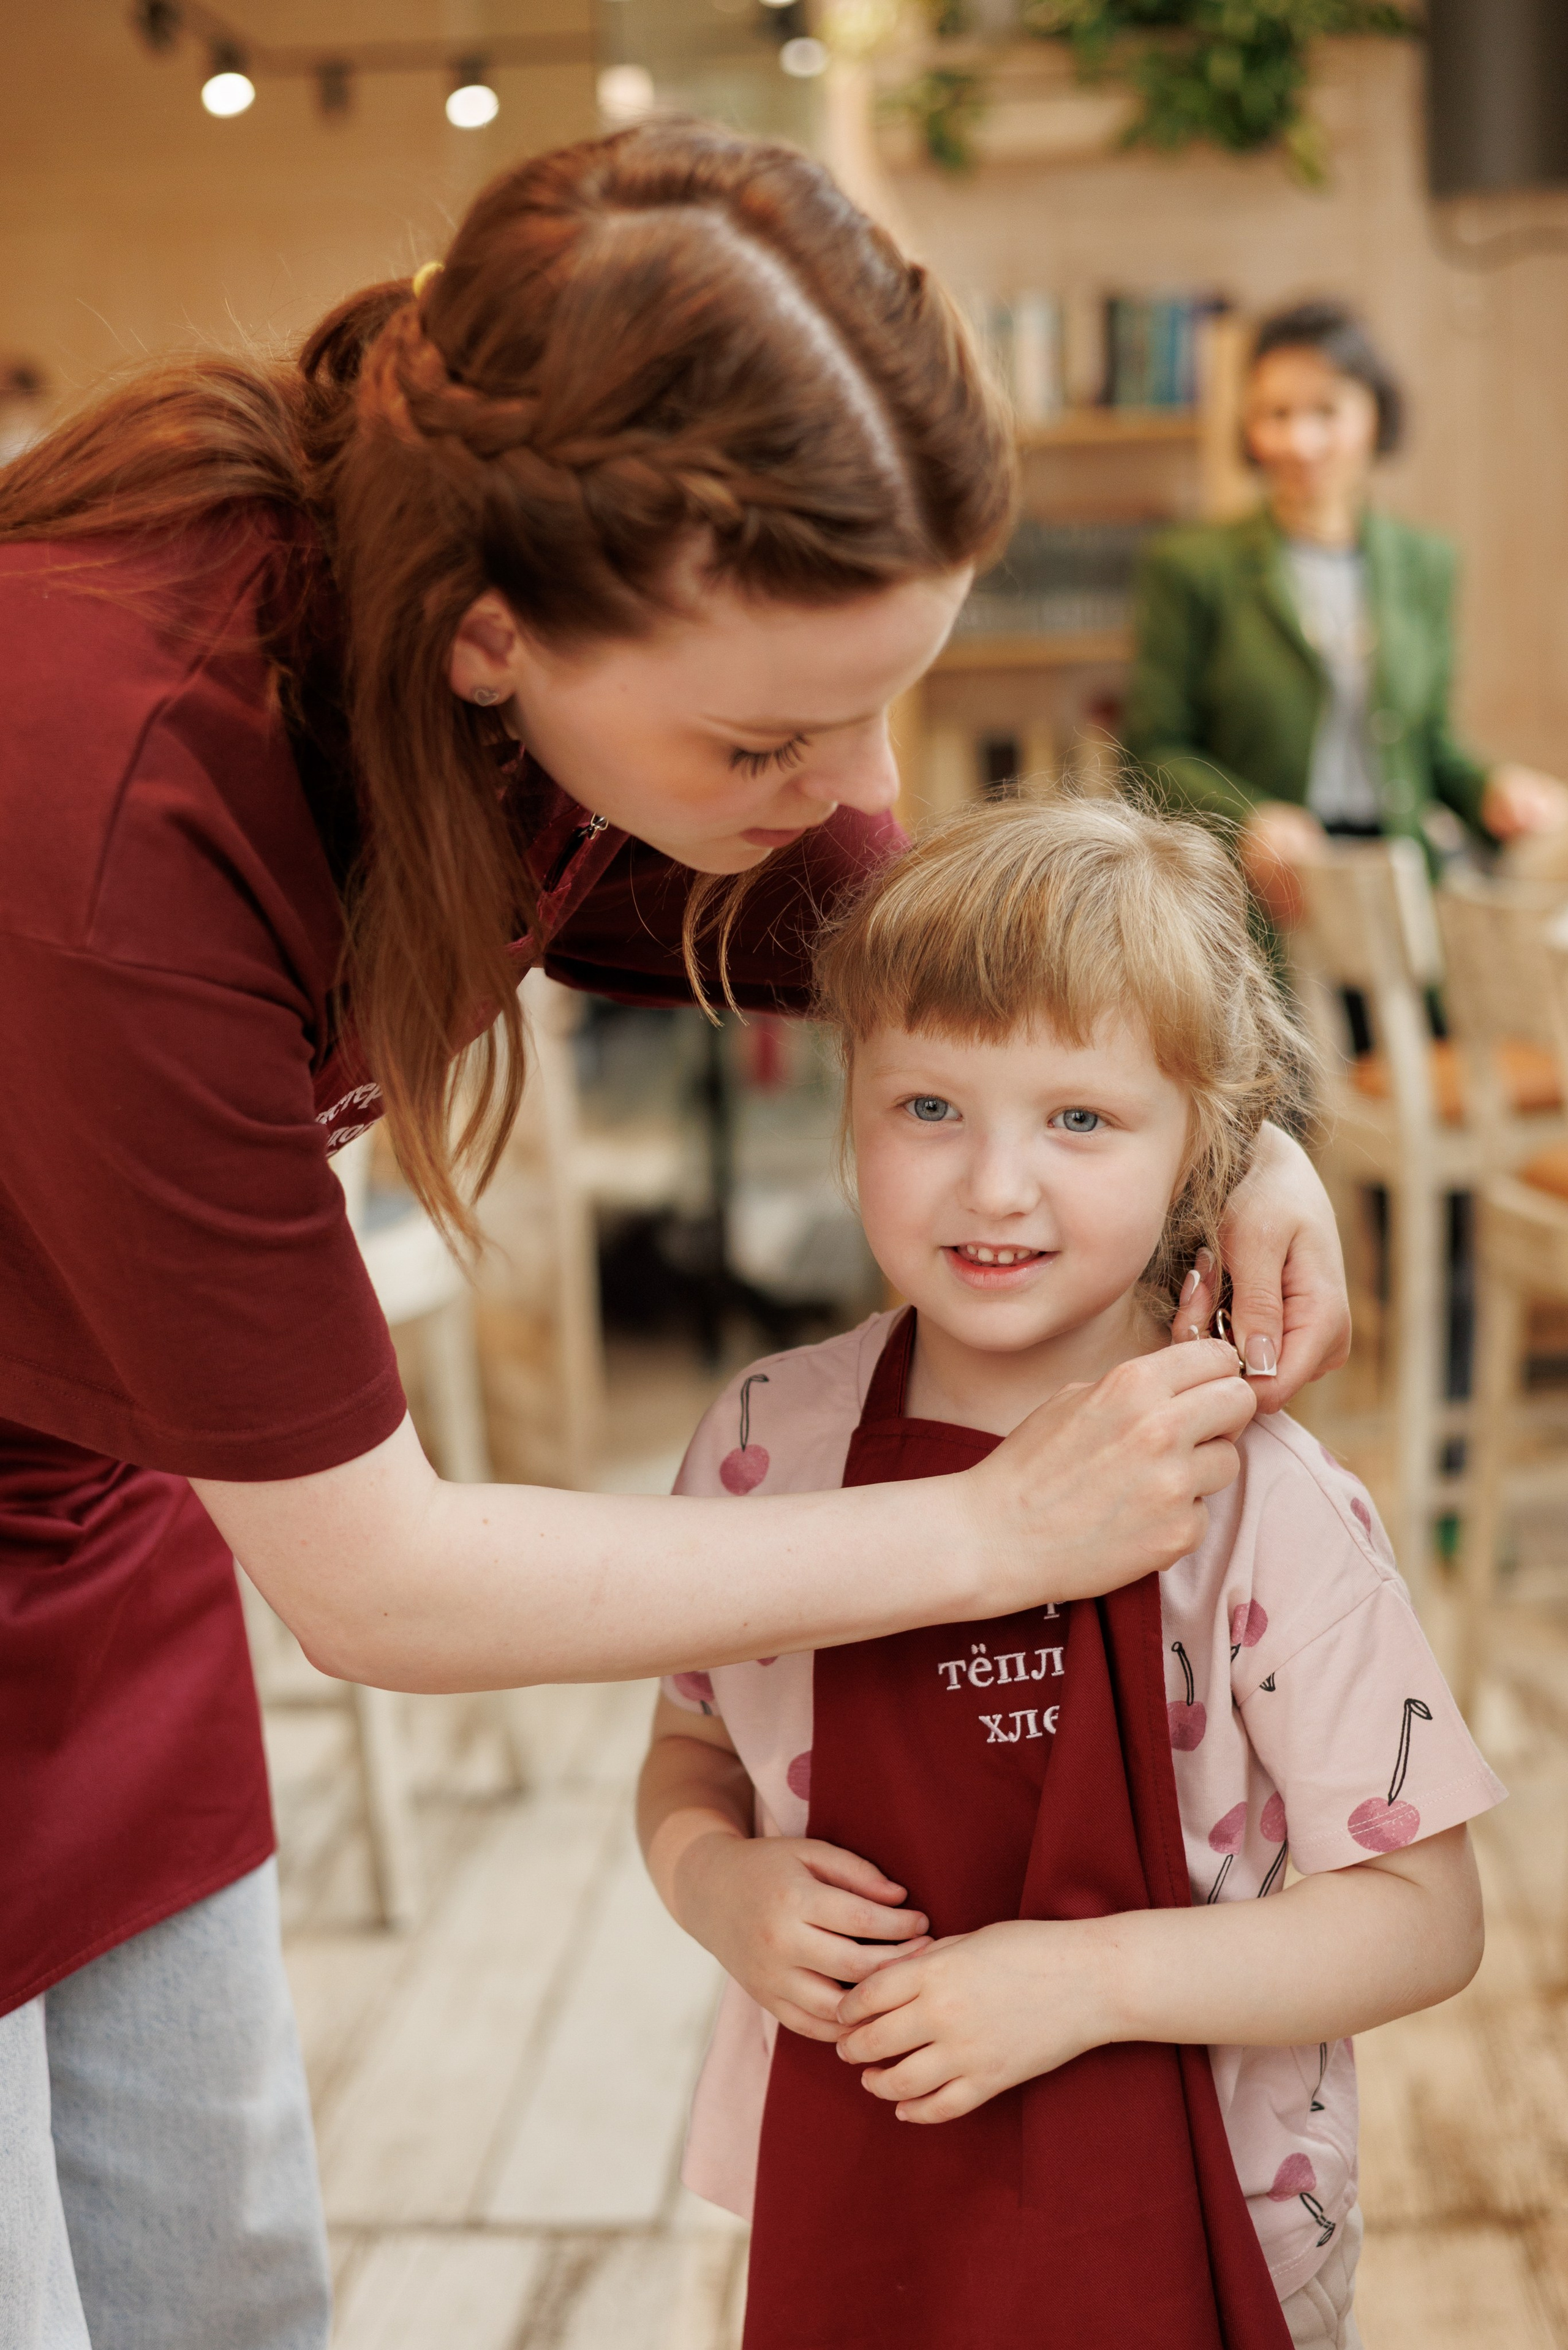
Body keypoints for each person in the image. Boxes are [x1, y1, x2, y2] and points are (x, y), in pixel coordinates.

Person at [0, 126, 1353, 2349]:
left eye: (871, 701)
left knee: (214, 2273)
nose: (832, 789)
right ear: (490, 628)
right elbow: (380, 1582)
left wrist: (1240, 1123)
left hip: (95, 1501)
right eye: (765, 732)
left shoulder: (541, 675)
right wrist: (1002, 1528)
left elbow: (925, 954)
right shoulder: (111, 792)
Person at [640, 799, 1501, 2350]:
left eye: (1078, 1119)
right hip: (851, 2201)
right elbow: (689, 1748)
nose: (991, 1186)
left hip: (1210, 2216)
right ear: (848, 1097)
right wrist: (715, 1882)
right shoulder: (764, 1441)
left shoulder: (1263, 1499)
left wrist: (1081, 1984)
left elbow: (1423, 1918)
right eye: (927, 1108)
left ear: (1205, 1140)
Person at [1121, 298, 1568, 929]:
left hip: (1400, 885)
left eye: (1326, 412)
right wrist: (1249, 816)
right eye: (1276, 414)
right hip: (1260, 895)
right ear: (1248, 426)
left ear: (1374, 417)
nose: (1300, 442)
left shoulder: (1425, 565)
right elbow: (1150, 750)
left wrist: (1491, 789)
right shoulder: (1191, 567)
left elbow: (1428, 747)